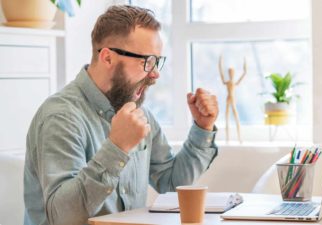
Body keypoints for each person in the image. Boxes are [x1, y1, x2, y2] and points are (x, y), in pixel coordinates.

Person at [24, 5, 219, 225]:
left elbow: (170, 182)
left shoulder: (137, 112)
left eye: (157, 61)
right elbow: (63, 218)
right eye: (147, 61)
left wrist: (203, 128)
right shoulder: (60, 117)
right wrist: (116, 148)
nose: (155, 73)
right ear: (107, 58)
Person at [218, 55, 247, 143]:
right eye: (229, 72)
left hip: (232, 99)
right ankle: (227, 138)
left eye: (232, 72)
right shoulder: (227, 82)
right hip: (228, 99)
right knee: (227, 118)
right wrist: (220, 61)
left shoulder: (234, 83)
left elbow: (244, 73)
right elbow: (221, 73)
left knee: (236, 118)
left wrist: (245, 62)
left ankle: (239, 138)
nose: (231, 74)